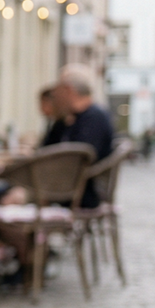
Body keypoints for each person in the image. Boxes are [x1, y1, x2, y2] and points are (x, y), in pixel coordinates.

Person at [42, 64, 113, 207]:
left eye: (57, 90)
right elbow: (44, 149)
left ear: (68, 90)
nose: (54, 96)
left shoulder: (94, 118)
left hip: (78, 194)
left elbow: (77, 160)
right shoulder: (67, 118)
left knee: (8, 196)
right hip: (56, 188)